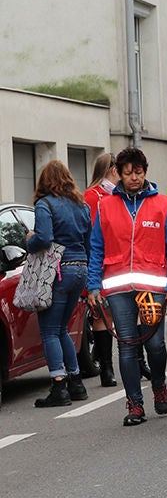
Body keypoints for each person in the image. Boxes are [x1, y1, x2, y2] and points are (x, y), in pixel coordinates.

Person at [87, 147, 167, 426]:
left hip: (153, 286)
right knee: (127, 346)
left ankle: (158, 385)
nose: (134, 178)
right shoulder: (106, 205)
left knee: (155, 344)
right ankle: (135, 404)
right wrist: (93, 285)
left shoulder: (162, 204)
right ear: (118, 173)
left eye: (138, 172)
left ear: (145, 172)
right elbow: (96, 246)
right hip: (118, 287)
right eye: (128, 173)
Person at [26, 161, 93, 408]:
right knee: (62, 328)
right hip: (80, 268)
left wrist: (30, 239)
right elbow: (90, 242)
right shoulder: (82, 205)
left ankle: (59, 385)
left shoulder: (44, 204)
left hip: (58, 271)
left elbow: (44, 238)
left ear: (44, 181)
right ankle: (76, 382)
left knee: (49, 331)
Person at [83, 153, 118, 386]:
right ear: (112, 169)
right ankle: (106, 368)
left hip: (119, 262)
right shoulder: (92, 195)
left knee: (119, 314)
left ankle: (136, 362)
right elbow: (93, 234)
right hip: (100, 262)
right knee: (103, 314)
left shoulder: (117, 194)